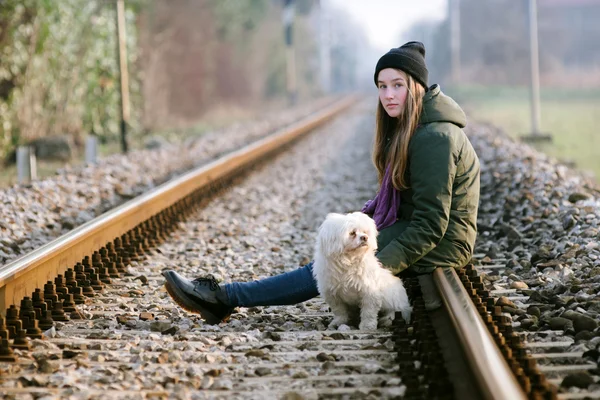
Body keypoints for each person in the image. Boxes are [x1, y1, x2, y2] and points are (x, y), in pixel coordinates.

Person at [162, 41, 481, 325]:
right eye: (382, 86)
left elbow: (431, 224)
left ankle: (224, 298)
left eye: (397, 85)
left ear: (417, 87)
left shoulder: (435, 137)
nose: (388, 95)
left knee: (334, 264)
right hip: (420, 229)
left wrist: (370, 268)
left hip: (445, 243)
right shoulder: (413, 125)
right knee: (332, 257)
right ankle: (227, 297)